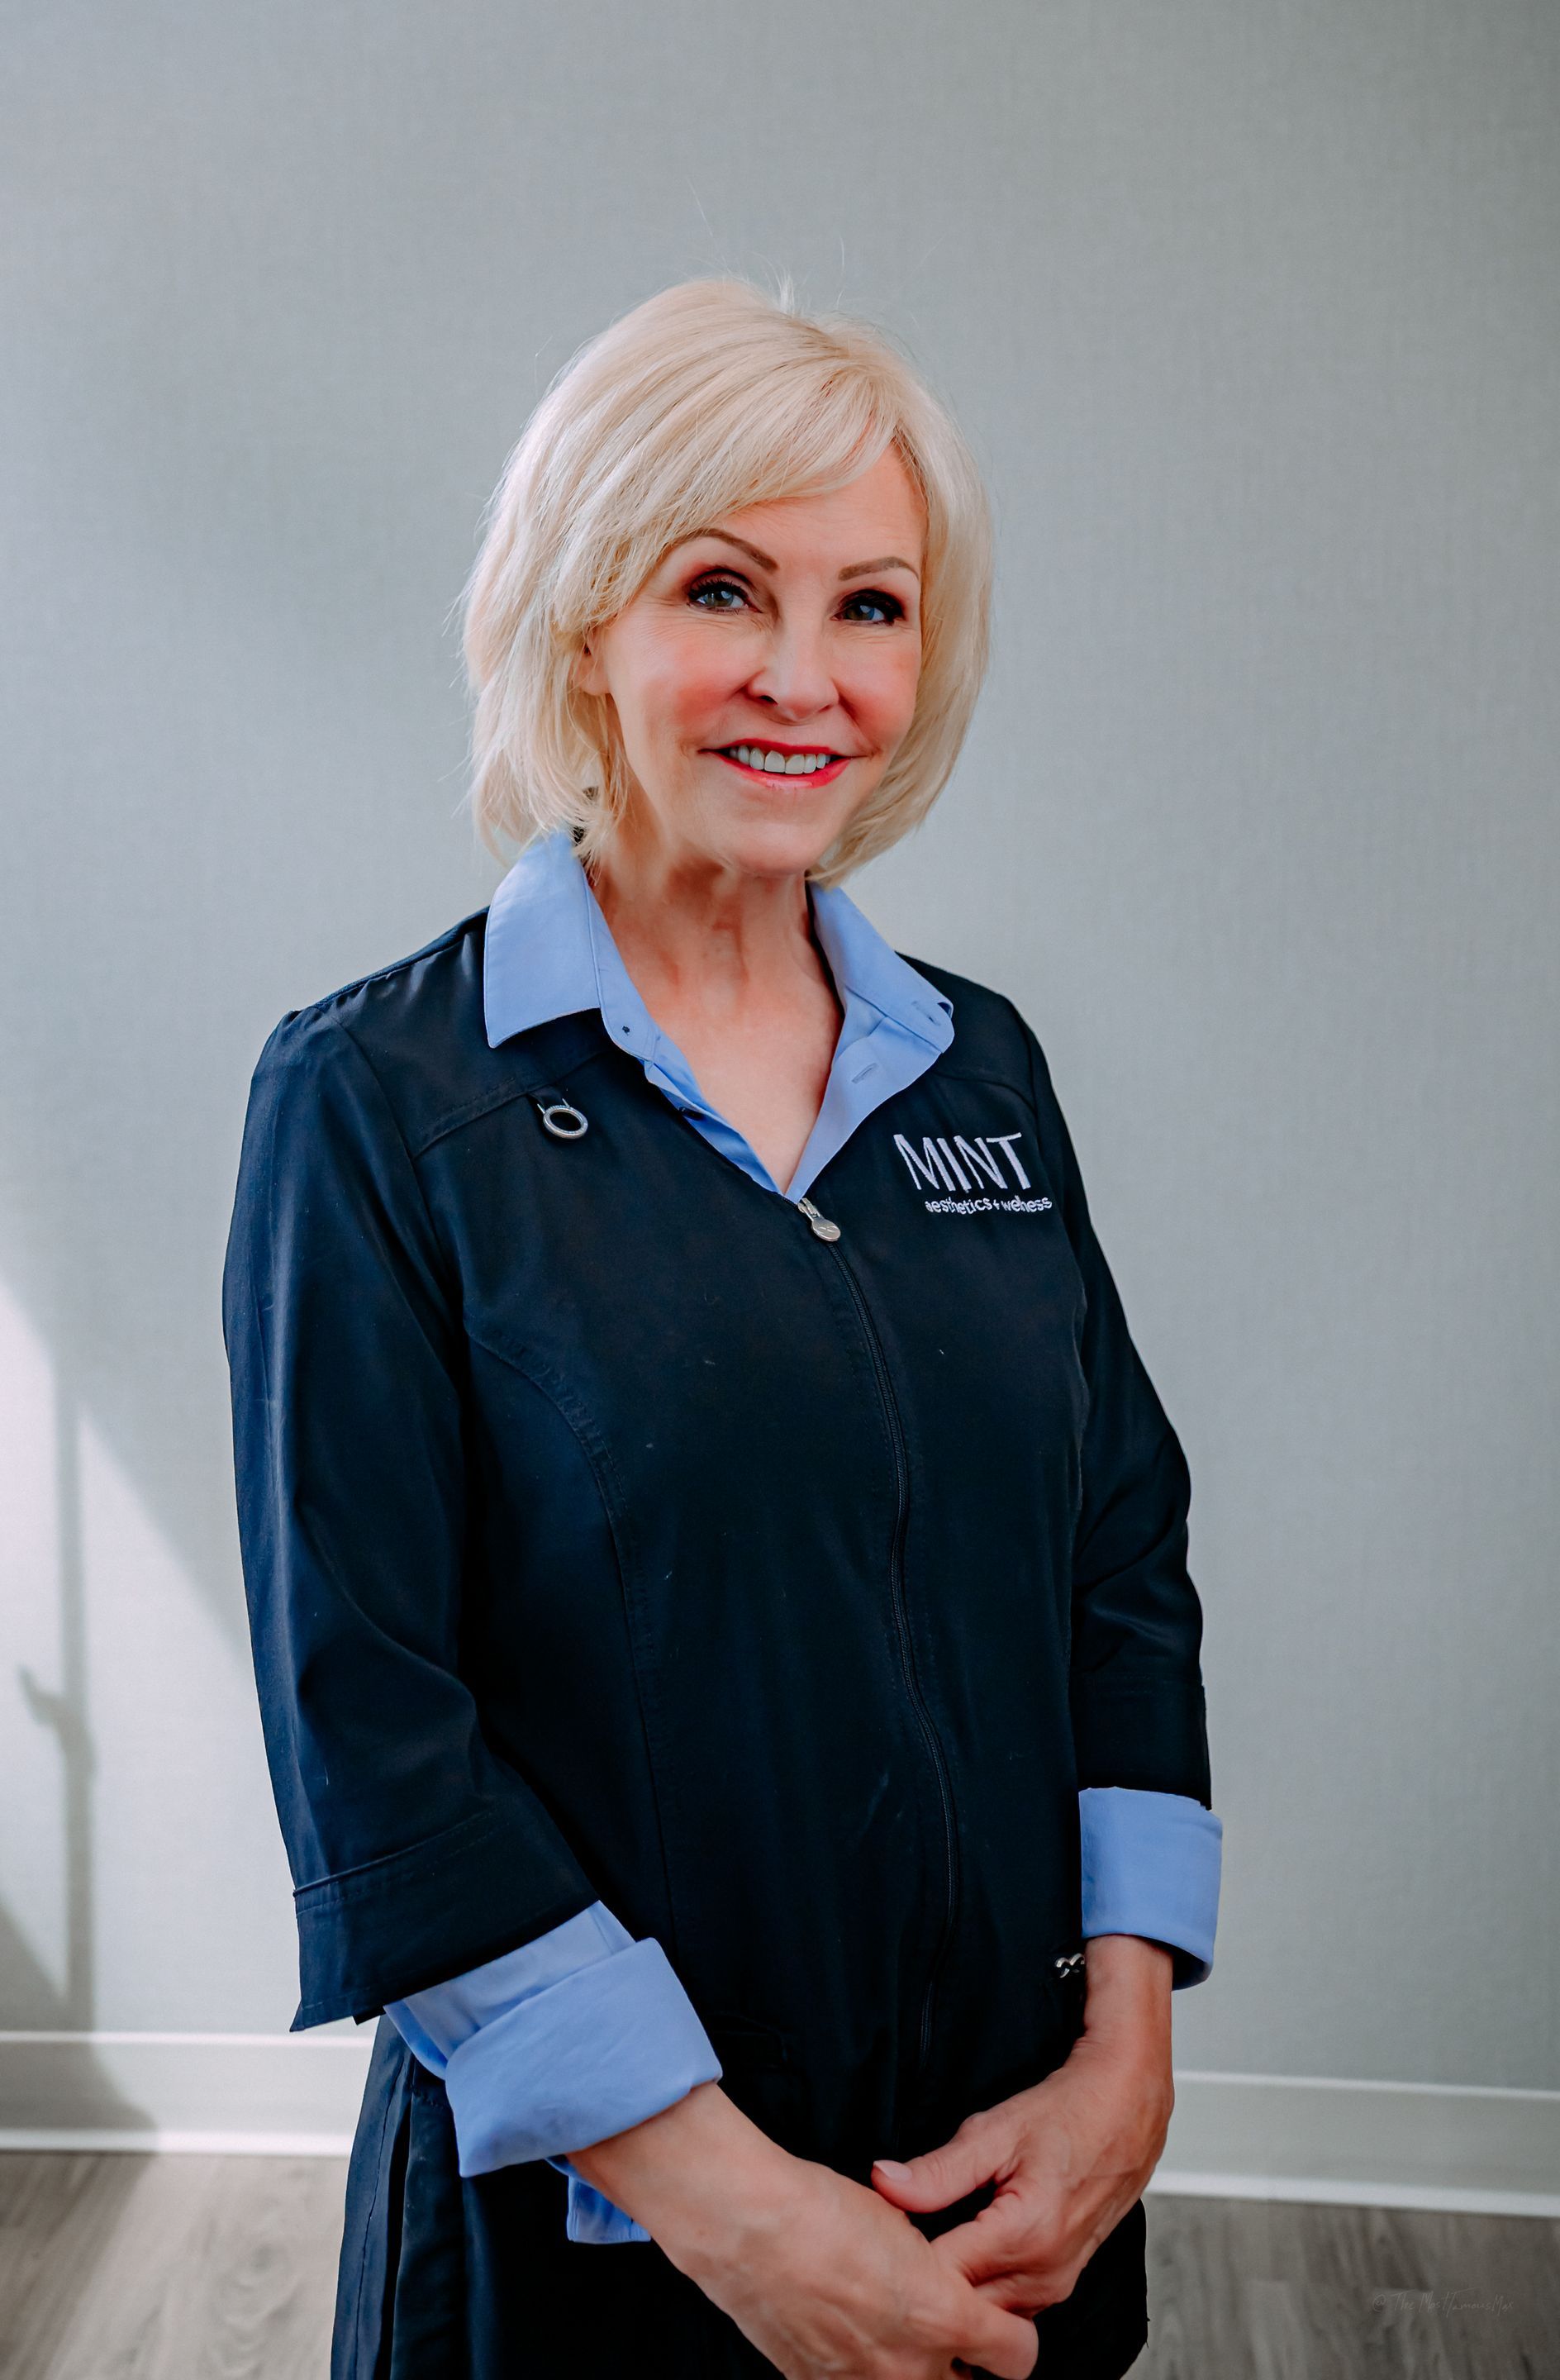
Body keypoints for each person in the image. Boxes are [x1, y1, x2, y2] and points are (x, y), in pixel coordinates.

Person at [223, 277, 1221, 2380]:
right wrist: (736, 2210)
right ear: (582, 620)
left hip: (1000, 2210)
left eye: (872, 605)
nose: (806, 676)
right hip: (598, 2259)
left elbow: (1117, 1565)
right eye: (720, 588)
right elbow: (376, 1742)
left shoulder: (984, 1076)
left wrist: (1124, 2051)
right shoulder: (383, 1107)